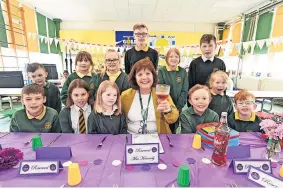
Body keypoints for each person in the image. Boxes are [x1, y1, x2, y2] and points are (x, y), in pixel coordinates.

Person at [121, 58, 179, 134]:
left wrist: (168, 111)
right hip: (131, 138)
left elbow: (173, 118)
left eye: (148, 73)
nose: (144, 78)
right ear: (135, 78)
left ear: (153, 76)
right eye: (140, 74)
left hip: (158, 138)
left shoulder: (161, 93)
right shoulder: (125, 96)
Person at [158, 48, 189, 133]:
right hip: (165, 106)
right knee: (165, 128)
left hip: (178, 107)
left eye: (176, 56)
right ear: (167, 58)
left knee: (174, 128)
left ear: (179, 59)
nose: (174, 58)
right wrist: (169, 105)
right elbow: (161, 89)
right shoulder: (161, 71)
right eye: (171, 56)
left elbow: (185, 90)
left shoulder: (183, 72)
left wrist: (178, 106)